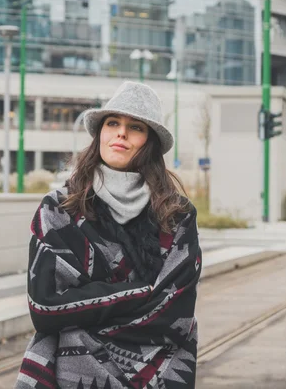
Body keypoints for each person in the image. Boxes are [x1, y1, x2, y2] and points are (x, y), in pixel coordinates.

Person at [16, 81, 201, 389]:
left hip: (156, 376)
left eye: (136, 127)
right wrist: (145, 291)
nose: (121, 133)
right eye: (112, 122)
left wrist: (85, 309)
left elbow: (175, 312)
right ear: (99, 132)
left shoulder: (177, 214)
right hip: (71, 377)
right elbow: (45, 308)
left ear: (150, 142)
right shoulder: (60, 210)